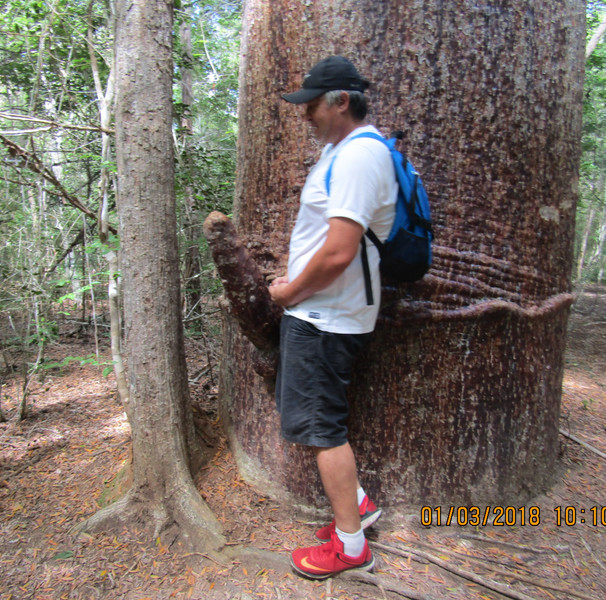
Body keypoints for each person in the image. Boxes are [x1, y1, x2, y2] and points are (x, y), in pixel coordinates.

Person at [268, 56, 397, 579]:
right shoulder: (339, 152)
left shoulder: (361, 156)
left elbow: (340, 252)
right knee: (315, 421)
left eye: (313, 105)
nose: (305, 116)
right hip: (317, 310)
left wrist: (289, 293)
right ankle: (359, 507)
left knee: (324, 430)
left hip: (325, 316)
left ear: (341, 101)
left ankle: (351, 547)